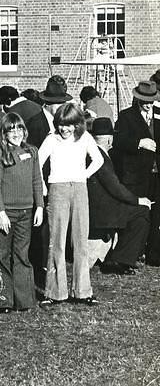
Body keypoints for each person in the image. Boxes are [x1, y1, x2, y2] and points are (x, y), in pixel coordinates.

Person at [38, 103, 104, 308]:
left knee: (80, 241)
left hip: (79, 190)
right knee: (56, 241)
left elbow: (98, 160)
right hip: (57, 189)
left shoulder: (85, 138)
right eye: (61, 125)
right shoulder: (51, 139)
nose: (64, 129)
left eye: (69, 125)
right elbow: (37, 163)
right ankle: (54, 292)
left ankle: (83, 291)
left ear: (77, 124)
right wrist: (43, 187)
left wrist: (83, 175)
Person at [0, 113, 44, 313]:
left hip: (27, 212)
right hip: (7, 214)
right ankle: (1, 300)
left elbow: (37, 181)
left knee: (22, 255)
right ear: (4, 132)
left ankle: (24, 300)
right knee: (2, 255)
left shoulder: (32, 151)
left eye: (19, 129)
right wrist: (0, 212)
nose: (16, 133)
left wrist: (39, 206)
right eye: (11, 130)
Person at [85, 118, 151, 275]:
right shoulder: (100, 157)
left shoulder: (92, 153)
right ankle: (120, 259)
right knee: (142, 213)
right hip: (103, 211)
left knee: (138, 212)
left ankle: (120, 256)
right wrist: (138, 200)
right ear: (109, 138)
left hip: (99, 206)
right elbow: (115, 188)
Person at [111, 80, 160, 266]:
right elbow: (118, 142)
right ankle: (133, 253)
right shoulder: (126, 116)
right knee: (138, 213)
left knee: (156, 214)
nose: (148, 105)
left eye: (151, 101)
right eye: (145, 101)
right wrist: (139, 143)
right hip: (136, 175)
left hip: (156, 174)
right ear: (138, 99)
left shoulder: (159, 115)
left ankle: (154, 254)